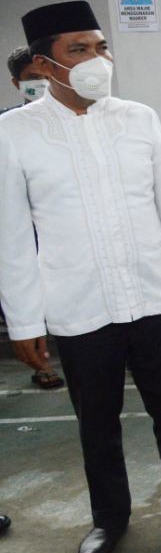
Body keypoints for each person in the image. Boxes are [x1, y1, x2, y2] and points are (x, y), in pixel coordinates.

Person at [0, 0, 161, 553]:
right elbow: (11, 236)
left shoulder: (137, 118)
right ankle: (110, 519)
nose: (97, 59)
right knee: (96, 424)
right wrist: (25, 321)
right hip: (80, 306)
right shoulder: (15, 133)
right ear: (44, 63)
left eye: (101, 47)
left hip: (153, 295)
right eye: (79, 49)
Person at [4, 45, 65, 390]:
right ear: (17, 83)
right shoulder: (8, 128)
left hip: (62, 229)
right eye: (31, 80)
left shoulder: (74, 120)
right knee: (31, 295)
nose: (40, 84)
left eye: (44, 76)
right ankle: (44, 364)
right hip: (24, 231)